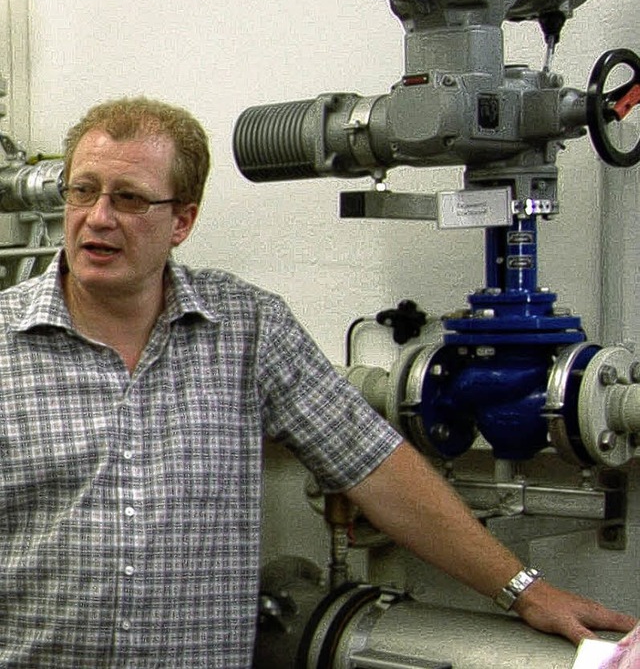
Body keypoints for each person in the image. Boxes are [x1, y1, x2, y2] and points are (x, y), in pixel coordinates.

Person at [0, 95, 632, 667]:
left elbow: (376, 468)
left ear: (182, 221)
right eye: (83, 192)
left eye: (130, 198)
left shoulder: (248, 329)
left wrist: (525, 590)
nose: (98, 217)